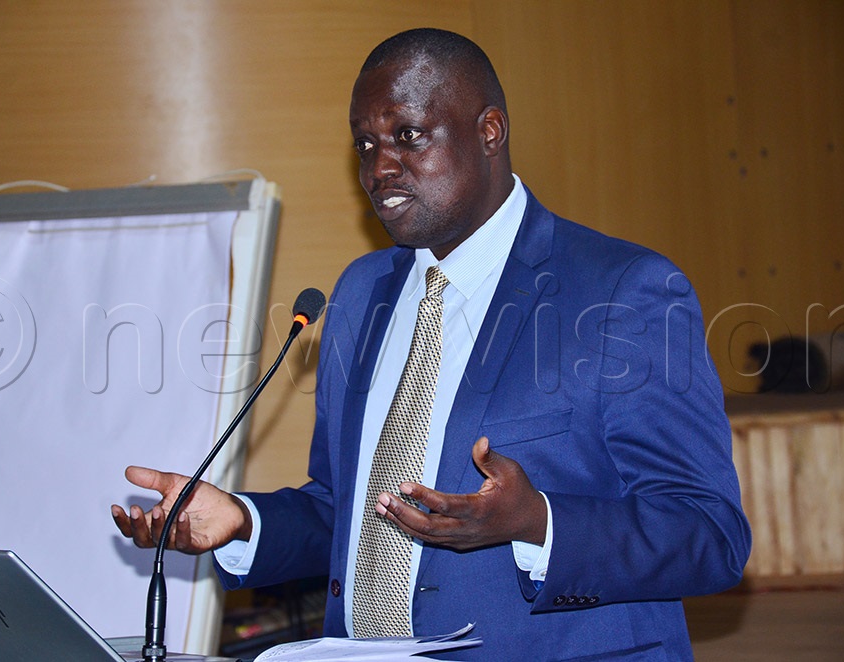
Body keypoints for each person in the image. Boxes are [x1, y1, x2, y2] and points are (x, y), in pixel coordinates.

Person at [113, 28, 751, 660]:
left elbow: (710, 533)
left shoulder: (621, 292)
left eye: (408, 136)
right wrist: (244, 522)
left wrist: (539, 523)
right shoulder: (362, 292)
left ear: (489, 131)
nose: (379, 167)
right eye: (364, 145)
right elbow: (352, 510)